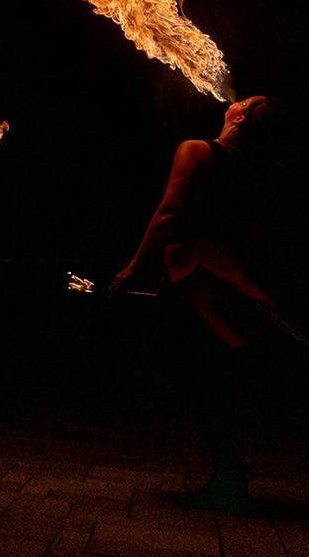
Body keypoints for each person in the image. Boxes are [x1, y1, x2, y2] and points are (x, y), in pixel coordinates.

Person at [110, 95, 279, 510]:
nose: (236, 98)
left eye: (245, 100)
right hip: (232, 276)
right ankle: (230, 470)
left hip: (199, 277)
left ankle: (228, 477)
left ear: (241, 116)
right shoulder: (253, 165)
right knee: (215, 379)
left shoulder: (196, 150)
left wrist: (134, 267)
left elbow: (169, 213)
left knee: (208, 379)